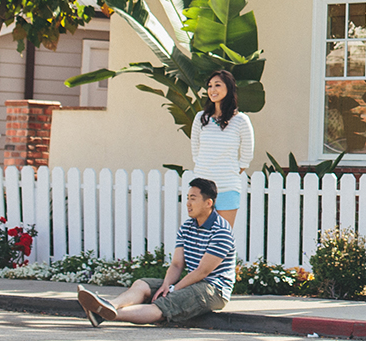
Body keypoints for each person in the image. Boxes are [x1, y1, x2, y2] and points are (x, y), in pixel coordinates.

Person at [77, 177, 234, 327]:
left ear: (208, 203)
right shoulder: (187, 227)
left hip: (214, 289)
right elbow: (177, 264)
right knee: (142, 285)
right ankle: (109, 305)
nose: (188, 203)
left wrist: (174, 289)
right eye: (187, 198)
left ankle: (104, 314)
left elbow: (202, 271)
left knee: (164, 304)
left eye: (193, 198)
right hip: (192, 283)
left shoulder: (221, 231)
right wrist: (166, 285)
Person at [191, 68, 255, 228]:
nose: (212, 90)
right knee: (201, 236)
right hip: (202, 189)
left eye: (217, 85)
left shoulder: (241, 120)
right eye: (210, 86)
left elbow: (247, 154)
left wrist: (230, 171)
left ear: (229, 88)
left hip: (228, 187)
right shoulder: (200, 118)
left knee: (223, 236)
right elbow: (195, 150)